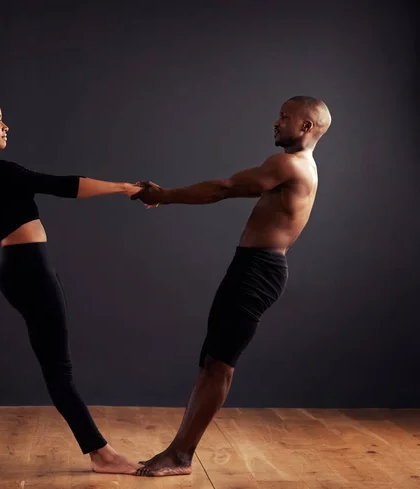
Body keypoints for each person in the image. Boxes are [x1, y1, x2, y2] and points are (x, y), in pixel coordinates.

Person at [0, 95, 142, 474]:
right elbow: (63, 185)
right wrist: (123, 187)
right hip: (28, 270)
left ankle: (101, 452)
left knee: (57, 368)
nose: (6, 125)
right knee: (59, 370)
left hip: (25, 269)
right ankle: (102, 455)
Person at [130, 95, 332, 477]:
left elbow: (223, 188)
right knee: (212, 362)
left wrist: (164, 196)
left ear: (306, 127)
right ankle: (178, 451)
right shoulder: (301, 165)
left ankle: (180, 456)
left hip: (259, 270)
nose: (275, 123)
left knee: (219, 365)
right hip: (252, 266)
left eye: (284, 117)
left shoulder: (289, 164)